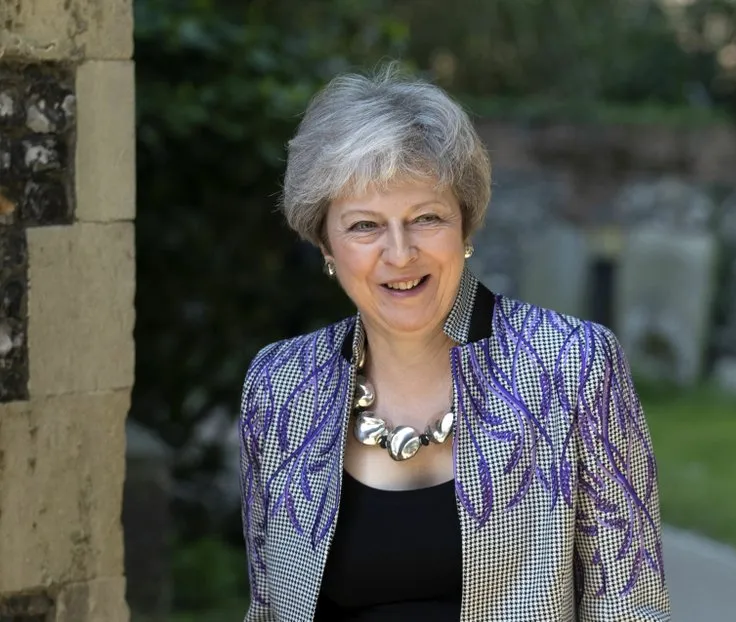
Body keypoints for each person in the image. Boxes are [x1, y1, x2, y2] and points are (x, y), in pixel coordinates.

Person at [238, 64, 671, 621]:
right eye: (365, 226)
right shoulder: (279, 386)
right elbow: (267, 608)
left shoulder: (574, 365)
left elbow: (630, 607)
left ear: (465, 225)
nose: (400, 254)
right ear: (325, 244)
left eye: (426, 218)